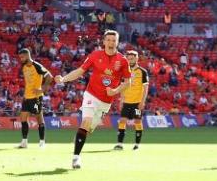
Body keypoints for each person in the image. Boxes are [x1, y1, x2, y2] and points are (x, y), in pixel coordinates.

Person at [54, 29, 131, 169]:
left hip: (106, 102)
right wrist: (64, 79)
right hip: (91, 94)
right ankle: (76, 158)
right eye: (108, 40)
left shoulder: (123, 61)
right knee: (86, 121)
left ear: (117, 42)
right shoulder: (95, 55)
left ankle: (79, 139)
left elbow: (127, 82)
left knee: (88, 129)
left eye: (114, 40)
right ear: (103, 41)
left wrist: (115, 90)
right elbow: (79, 71)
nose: (111, 43)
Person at [16, 48, 53, 149]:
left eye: (22, 57)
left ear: (27, 56)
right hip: (27, 97)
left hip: (36, 98)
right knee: (23, 119)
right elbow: (28, 82)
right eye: (20, 57)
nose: (21, 59)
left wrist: (42, 90)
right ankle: (24, 142)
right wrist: (24, 95)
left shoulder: (37, 66)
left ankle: (42, 142)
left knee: (39, 119)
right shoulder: (23, 66)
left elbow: (49, 76)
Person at [114, 49, 148, 151]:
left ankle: (137, 145)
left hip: (137, 103)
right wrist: (121, 100)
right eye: (128, 58)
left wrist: (142, 101)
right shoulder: (124, 71)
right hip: (126, 102)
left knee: (137, 121)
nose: (130, 60)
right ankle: (119, 144)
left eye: (132, 58)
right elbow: (123, 86)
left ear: (137, 58)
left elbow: (146, 88)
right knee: (122, 121)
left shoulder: (142, 71)